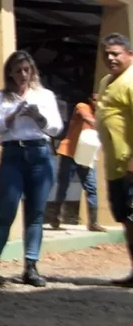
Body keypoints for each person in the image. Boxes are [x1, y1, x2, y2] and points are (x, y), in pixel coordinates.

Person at [0, 50, 63, 288]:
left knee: (35, 214)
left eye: (26, 70)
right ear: (10, 72)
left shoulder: (45, 95)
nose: (22, 75)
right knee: (5, 213)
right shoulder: (0, 97)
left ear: (33, 71)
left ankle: (31, 267)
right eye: (17, 70)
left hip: (39, 154)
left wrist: (39, 118)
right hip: (12, 155)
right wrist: (13, 115)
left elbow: (56, 129)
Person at [93, 32, 133, 286]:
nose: (110, 58)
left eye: (116, 53)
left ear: (130, 55)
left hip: (130, 166)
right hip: (114, 167)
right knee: (127, 221)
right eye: (106, 53)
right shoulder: (106, 81)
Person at [48, 94, 106, 232]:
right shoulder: (82, 106)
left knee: (91, 188)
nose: (98, 103)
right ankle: (54, 217)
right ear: (90, 100)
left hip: (86, 156)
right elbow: (87, 118)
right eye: (96, 100)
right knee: (63, 186)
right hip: (70, 153)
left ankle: (93, 222)